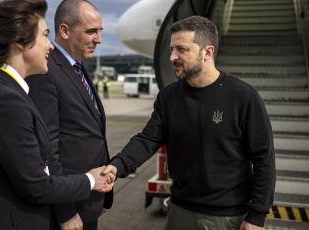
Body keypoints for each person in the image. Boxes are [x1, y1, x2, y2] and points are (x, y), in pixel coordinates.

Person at [103, 16, 275, 230]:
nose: (173, 56)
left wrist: (257, 215)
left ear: (208, 52)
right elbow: (147, 139)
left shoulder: (243, 97)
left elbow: (263, 159)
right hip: (179, 212)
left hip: (226, 218)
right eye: (172, 49)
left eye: (182, 50)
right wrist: (116, 166)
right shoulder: (168, 97)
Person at [0, 0, 114, 230]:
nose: (50, 44)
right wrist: (91, 180)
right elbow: (37, 183)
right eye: (44, 35)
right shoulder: (4, 99)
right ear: (20, 41)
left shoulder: (3, 89)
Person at [26, 0, 112, 230]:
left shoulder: (77, 67)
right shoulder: (46, 70)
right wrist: (65, 211)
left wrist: (102, 197)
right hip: (68, 208)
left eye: (99, 31)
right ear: (64, 30)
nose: (99, 39)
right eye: (91, 31)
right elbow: (47, 149)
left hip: (89, 199)